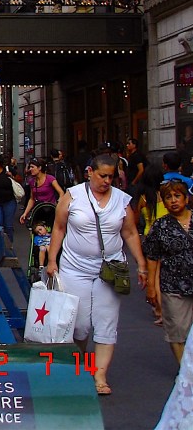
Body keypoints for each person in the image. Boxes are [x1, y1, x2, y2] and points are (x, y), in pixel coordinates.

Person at [45, 153, 148, 396]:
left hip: (110, 270)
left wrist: (141, 264)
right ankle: (79, 364)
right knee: (79, 325)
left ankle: (99, 375)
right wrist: (51, 260)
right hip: (74, 267)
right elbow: (58, 229)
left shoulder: (122, 200)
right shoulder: (72, 196)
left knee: (106, 321)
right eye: (102, 176)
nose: (106, 181)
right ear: (89, 172)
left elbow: (131, 233)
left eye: (111, 177)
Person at [143, 179, 193, 364]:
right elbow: (152, 257)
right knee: (177, 330)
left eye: (177, 196)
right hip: (173, 284)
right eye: (168, 197)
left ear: (186, 198)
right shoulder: (160, 226)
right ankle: (185, 371)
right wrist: (151, 287)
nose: (173, 200)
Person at [19, 158, 66, 225]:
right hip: (38, 209)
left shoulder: (50, 178)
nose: (30, 169)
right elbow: (32, 199)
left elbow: (61, 192)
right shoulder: (32, 181)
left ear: (39, 168)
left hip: (51, 209)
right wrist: (25, 213)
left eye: (32, 167)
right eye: (30, 167)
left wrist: (59, 202)